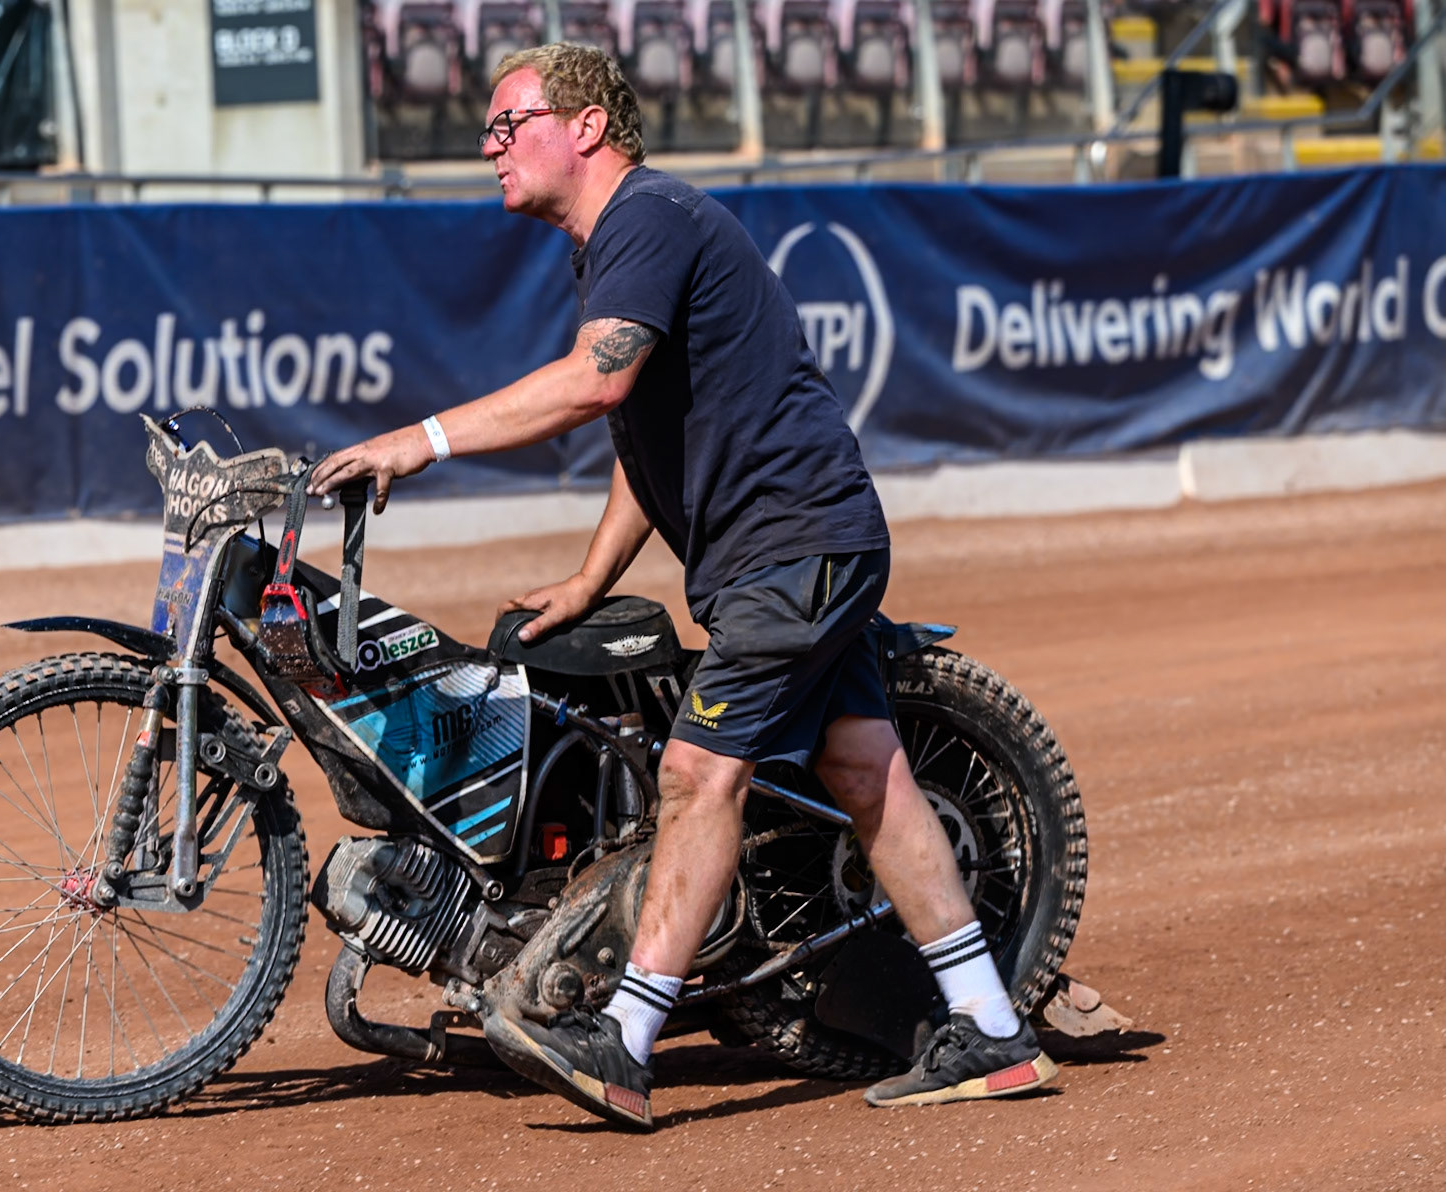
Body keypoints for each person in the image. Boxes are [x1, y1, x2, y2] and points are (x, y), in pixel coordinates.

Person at [306, 42, 1056, 1128]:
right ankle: (990, 1025)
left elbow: (597, 378)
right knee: (863, 767)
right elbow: (642, 432)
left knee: (697, 775)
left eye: (511, 122)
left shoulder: (648, 219)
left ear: (588, 127)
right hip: (801, 544)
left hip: (792, 547)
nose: (490, 146)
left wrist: (422, 440)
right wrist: (589, 576)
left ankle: (623, 1039)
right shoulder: (614, 244)